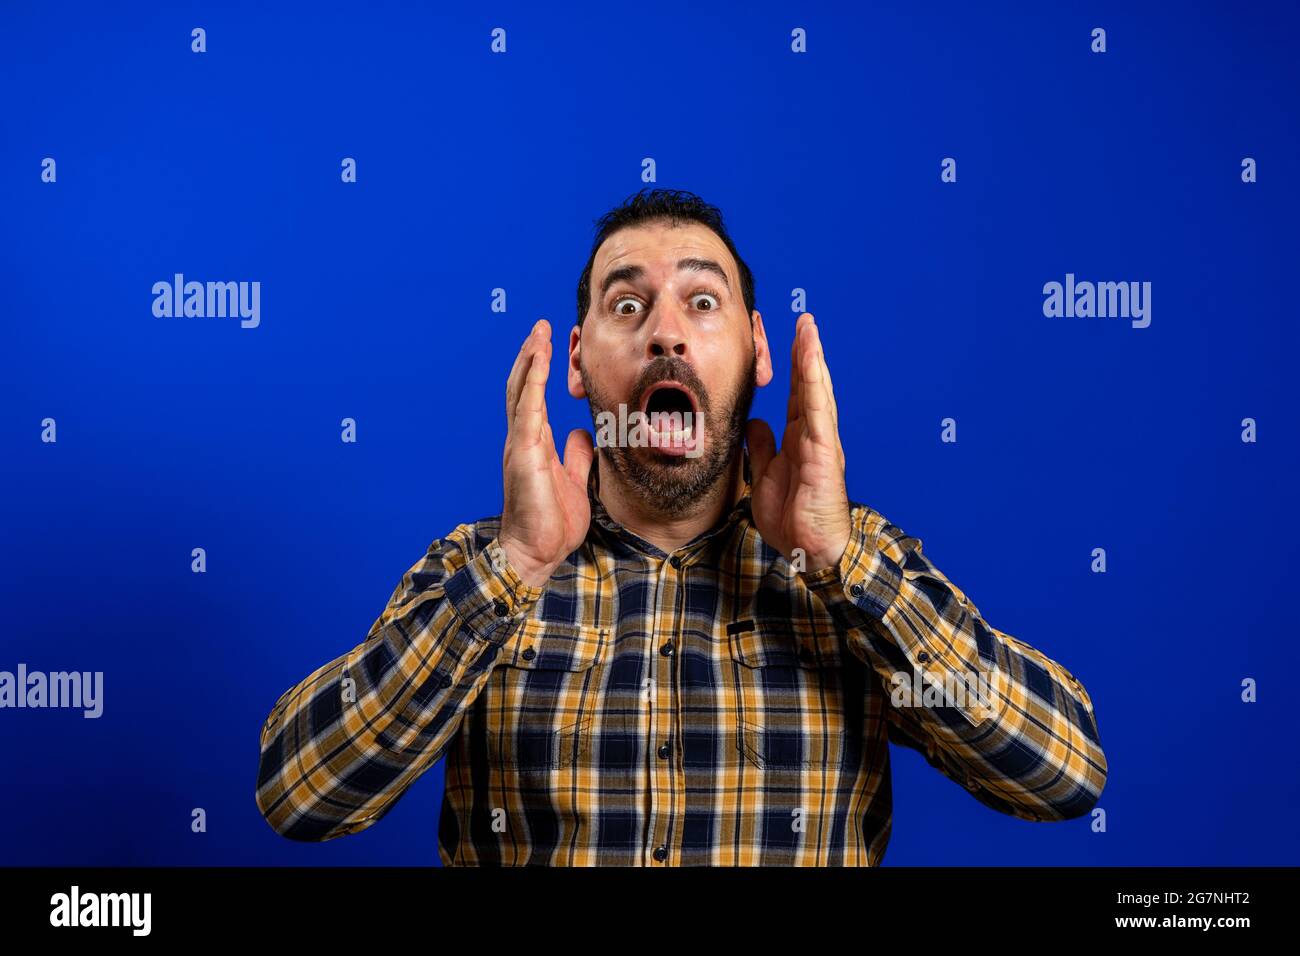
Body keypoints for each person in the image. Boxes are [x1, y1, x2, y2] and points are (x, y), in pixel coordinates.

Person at [254, 187, 1107, 865]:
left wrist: (845, 561)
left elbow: (1065, 772)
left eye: (703, 301)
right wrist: (511, 567)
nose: (667, 332)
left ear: (758, 352)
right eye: (628, 308)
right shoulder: (481, 570)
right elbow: (298, 795)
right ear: (580, 362)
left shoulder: (849, 569)